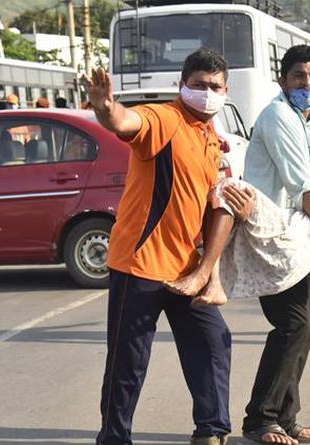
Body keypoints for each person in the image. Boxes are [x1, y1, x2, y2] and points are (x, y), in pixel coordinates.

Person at [84, 48, 235, 445]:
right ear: (182, 86)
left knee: (212, 340)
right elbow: (127, 121)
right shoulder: (165, 119)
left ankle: (211, 430)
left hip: (186, 268)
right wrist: (106, 109)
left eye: (215, 87)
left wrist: (208, 272)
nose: (207, 92)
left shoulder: (214, 142)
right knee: (127, 363)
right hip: (139, 265)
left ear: (226, 90)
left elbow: (216, 206)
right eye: (199, 85)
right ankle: (114, 438)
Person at [239, 44, 310, 445]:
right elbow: (298, 182)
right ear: (282, 80)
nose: (307, 83)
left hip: (297, 230)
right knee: (292, 323)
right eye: (298, 77)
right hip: (272, 233)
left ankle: (286, 419)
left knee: (303, 328)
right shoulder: (277, 116)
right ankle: (260, 419)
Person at [165, 178, 310, 302]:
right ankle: (213, 283)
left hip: (293, 242)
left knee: (232, 189)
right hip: (287, 243)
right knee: (226, 214)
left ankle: (206, 276)